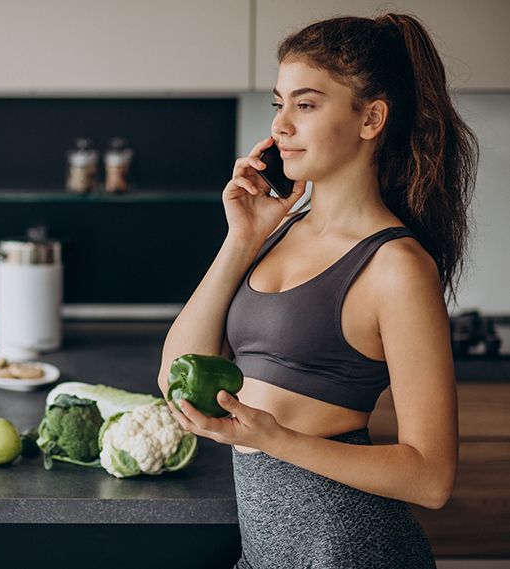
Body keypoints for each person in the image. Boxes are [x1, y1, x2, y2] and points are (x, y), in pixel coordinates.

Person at [157, 12, 478, 569]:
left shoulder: (396, 266)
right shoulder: (277, 230)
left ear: (371, 118)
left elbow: (431, 478)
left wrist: (276, 440)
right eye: (278, 104)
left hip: (350, 551)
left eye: (305, 104)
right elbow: (173, 377)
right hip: (267, 553)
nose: (281, 125)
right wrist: (242, 239)